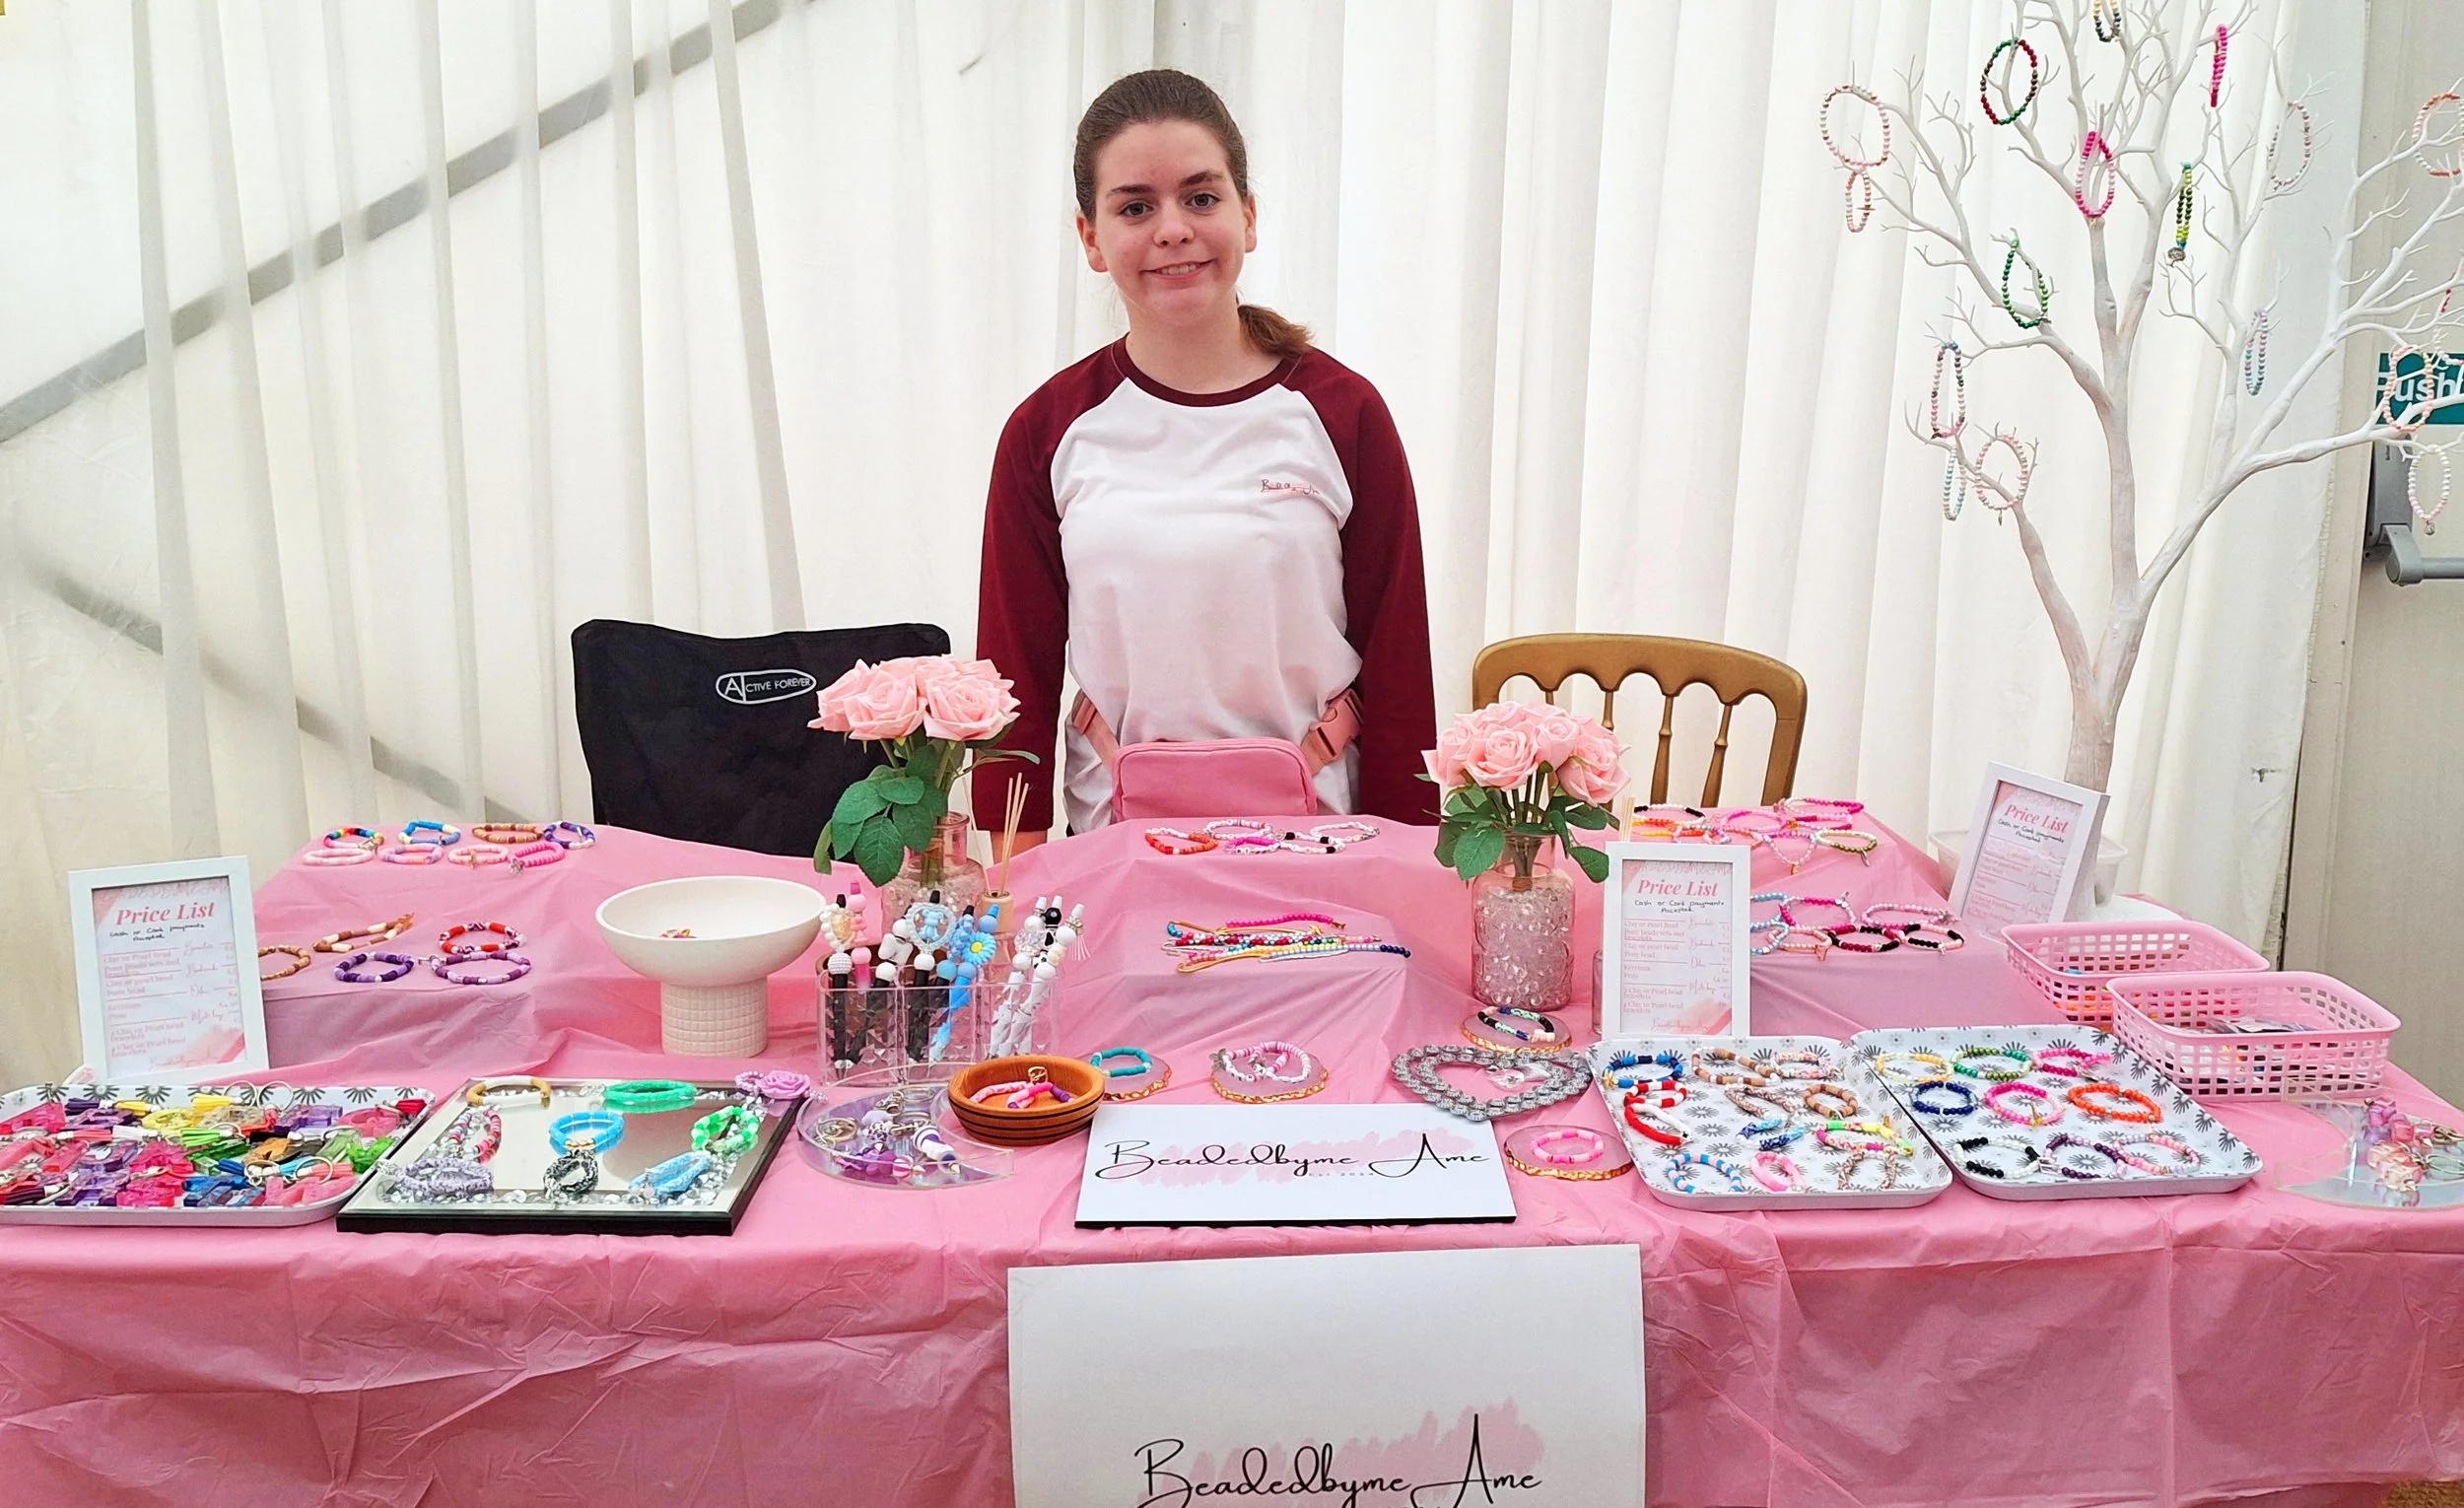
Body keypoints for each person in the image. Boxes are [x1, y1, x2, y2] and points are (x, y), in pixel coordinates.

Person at [974, 68, 1436, 856]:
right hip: (1116, 848)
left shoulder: (1343, 413)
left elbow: (1399, 660)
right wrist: (1017, 879)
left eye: (1201, 197)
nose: (1173, 229)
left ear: (1248, 218)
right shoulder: (1047, 430)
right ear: (1090, 238)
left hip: (1324, 849)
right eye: (1135, 207)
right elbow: (1013, 670)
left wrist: (1410, 863)